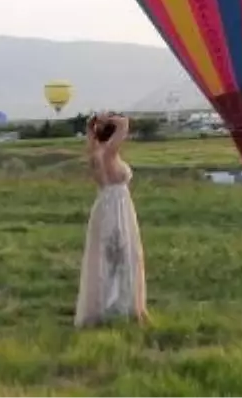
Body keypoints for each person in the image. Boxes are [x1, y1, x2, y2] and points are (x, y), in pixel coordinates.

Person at [74, 112, 147, 328]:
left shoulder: (95, 152)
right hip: (117, 206)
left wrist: (94, 123)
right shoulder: (108, 154)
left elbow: (94, 136)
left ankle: (106, 305)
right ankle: (127, 306)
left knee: (105, 257)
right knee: (125, 255)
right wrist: (115, 119)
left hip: (105, 205)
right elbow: (124, 126)